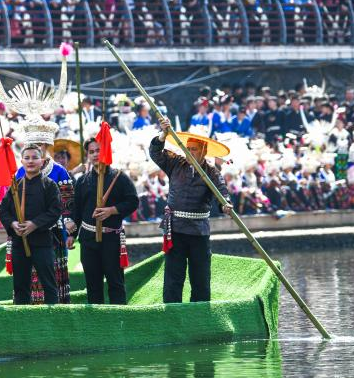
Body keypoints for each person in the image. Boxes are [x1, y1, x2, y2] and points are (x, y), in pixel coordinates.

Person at [149, 118, 233, 303]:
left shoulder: (212, 172)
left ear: (203, 151)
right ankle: (171, 312)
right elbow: (155, 152)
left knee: (200, 278)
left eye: (193, 149)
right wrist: (163, 134)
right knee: (173, 277)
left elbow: (222, 193)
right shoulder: (175, 163)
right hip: (175, 229)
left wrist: (225, 204)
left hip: (199, 231)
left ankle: (200, 313)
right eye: (187, 148)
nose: (189, 152)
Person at [72, 138, 139, 304]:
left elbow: (133, 202)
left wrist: (111, 210)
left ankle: (119, 317)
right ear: (87, 155)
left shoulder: (120, 178)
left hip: (112, 239)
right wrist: (71, 235)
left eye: (98, 150)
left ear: (107, 151)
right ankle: (96, 319)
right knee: (92, 285)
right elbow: (77, 211)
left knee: (116, 283)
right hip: (88, 239)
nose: (95, 154)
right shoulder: (82, 181)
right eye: (91, 152)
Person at [0, 145, 62, 305]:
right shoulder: (15, 186)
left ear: (42, 161)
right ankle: (22, 317)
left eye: (35, 157)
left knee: (49, 284)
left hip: (42, 242)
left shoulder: (49, 185)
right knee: (20, 286)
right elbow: (3, 211)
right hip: (19, 243)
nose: (30, 161)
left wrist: (34, 224)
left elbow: (55, 211)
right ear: (21, 161)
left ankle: (53, 316)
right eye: (27, 158)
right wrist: (13, 224)